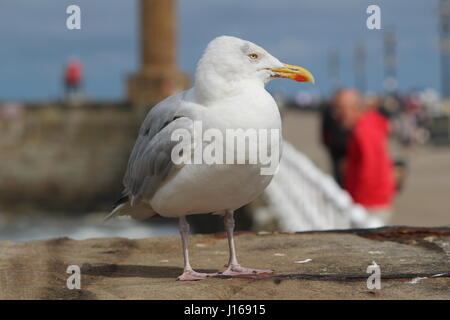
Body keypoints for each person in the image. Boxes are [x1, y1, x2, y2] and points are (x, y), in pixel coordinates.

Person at [335, 89, 396, 224]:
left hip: (370, 202)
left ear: (354, 108)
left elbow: (371, 167)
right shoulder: (368, 124)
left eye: (340, 109)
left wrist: (356, 200)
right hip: (375, 199)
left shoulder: (363, 130)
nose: (336, 115)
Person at [320, 95, 348, 186]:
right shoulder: (328, 112)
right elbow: (325, 129)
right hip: (335, 146)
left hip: (342, 147)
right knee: (338, 170)